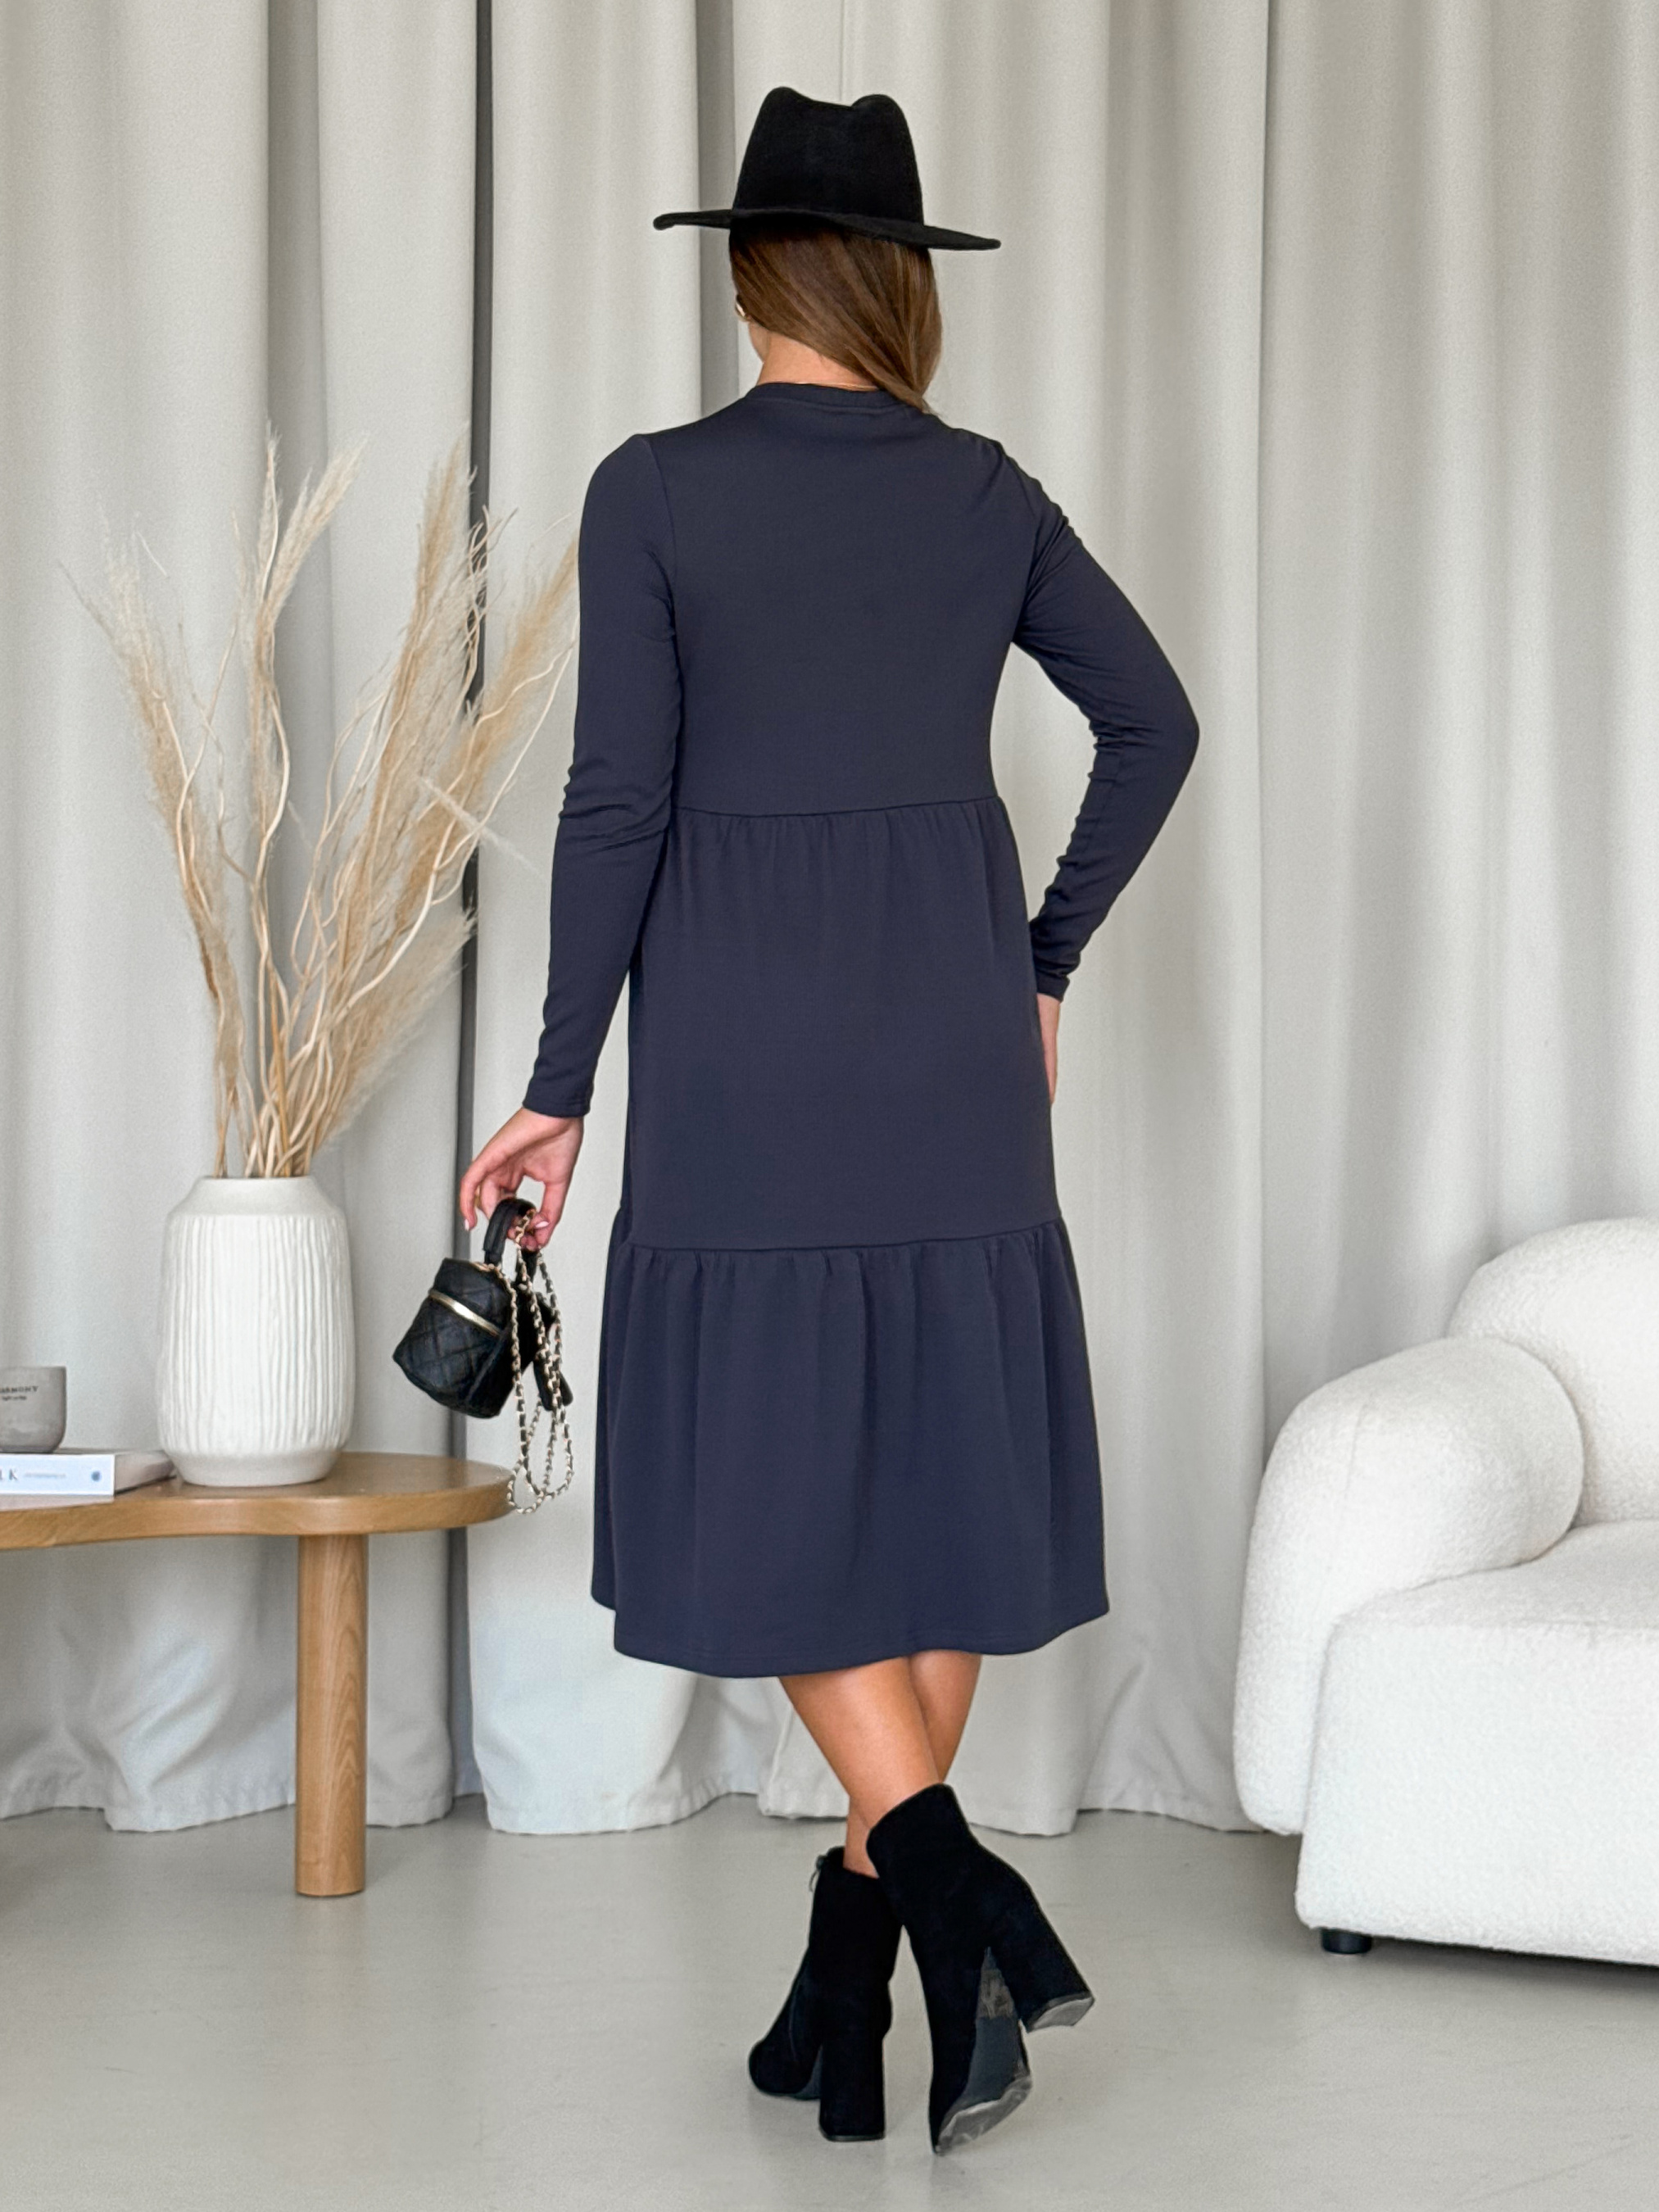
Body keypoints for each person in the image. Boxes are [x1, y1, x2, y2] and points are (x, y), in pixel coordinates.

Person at [460, 86, 1199, 2155]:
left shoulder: (652, 491)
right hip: (949, 1040)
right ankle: (861, 1979)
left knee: (771, 1484)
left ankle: (949, 1903)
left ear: (743, 276)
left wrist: (556, 1087)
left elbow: (617, 805)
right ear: (899, 284)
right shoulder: (982, 495)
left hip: (743, 1049)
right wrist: (1039, 964)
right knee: (938, 1464)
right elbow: (1153, 724)